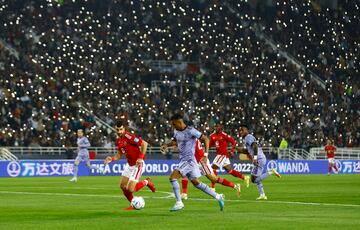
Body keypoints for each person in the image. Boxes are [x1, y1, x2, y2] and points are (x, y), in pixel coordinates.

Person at [161, 114, 225, 211]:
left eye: (174, 124)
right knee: (196, 183)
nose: (173, 126)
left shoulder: (191, 131)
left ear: (179, 122)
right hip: (184, 160)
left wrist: (205, 155)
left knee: (173, 178)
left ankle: (179, 202)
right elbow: (175, 142)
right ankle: (218, 196)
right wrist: (167, 145)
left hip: (189, 160)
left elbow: (206, 139)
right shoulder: (176, 131)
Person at [104, 121, 156, 210]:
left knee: (130, 189)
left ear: (124, 129)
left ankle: (147, 182)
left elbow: (144, 144)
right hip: (129, 165)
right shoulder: (118, 140)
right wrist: (112, 159)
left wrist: (140, 158)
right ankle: (133, 204)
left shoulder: (129, 136)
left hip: (138, 165)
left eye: (121, 129)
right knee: (122, 186)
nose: (119, 131)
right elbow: (119, 155)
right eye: (117, 130)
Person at [239, 124, 281, 200]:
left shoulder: (248, 137)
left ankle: (271, 172)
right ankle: (262, 195)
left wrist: (255, 158)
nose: (241, 132)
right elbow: (248, 151)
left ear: (247, 130)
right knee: (256, 178)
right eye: (240, 130)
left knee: (254, 179)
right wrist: (237, 149)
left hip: (258, 159)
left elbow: (255, 146)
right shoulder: (247, 138)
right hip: (260, 158)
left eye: (242, 130)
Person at [209, 123, 250, 190]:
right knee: (229, 170)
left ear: (220, 127)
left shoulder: (224, 135)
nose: (216, 127)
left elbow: (233, 142)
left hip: (222, 155)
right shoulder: (212, 136)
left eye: (217, 126)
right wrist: (204, 149)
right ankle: (245, 178)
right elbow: (210, 145)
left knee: (213, 168)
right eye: (215, 126)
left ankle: (213, 188)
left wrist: (232, 151)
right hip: (220, 155)